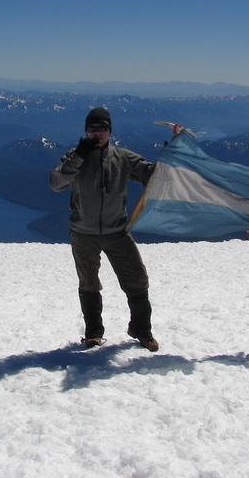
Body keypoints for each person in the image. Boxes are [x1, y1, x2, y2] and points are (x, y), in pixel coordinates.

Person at [49, 107, 159, 351]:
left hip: (116, 232)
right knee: (89, 284)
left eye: (102, 129)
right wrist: (78, 156)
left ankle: (141, 330)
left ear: (110, 131)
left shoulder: (122, 157)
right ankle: (93, 334)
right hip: (83, 233)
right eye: (92, 129)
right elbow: (56, 183)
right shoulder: (75, 157)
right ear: (86, 132)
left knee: (137, 281)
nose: (97, 133)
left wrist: (170, 159)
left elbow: (151, 175)